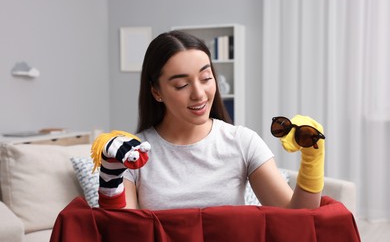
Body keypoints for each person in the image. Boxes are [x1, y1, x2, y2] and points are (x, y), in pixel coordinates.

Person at [93, 30, 325, 210]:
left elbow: (296, 215)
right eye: (182, 85)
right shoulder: (135, 155)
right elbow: (124, 234)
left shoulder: (242, 141)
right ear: (156, 92)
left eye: (206, 77)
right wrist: (111, 174)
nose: (199, 94)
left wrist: (313, 158)